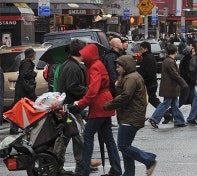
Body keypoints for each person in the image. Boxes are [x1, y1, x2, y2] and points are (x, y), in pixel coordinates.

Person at [103, 55, 158, 176]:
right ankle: (129, 173)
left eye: (119, 67)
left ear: (126, 66)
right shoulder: (129, 77)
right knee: (127, 147)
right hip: (130, 115)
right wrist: (118, 85)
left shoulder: (131, 78)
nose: (117, 69)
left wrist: (107, 105)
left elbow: (126, 96)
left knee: (123, 146)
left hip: (131, 116)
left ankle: (149, 160)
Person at [74, 43, 122, 176]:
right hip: (105, 102)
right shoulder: (97, 64)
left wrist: (81, 104)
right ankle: (116, 169)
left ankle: (84, 170)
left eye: (84, 56)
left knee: (88, 136)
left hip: (99, 105)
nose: (83, 58)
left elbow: (93, 90)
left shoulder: (94, 67)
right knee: (108, 139)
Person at [53, 39, 88, 175]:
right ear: (80, 51)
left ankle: (57, 165)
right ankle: (80, 166)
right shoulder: (73, 67)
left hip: (67, 108)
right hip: (71, 108)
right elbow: (73, 86)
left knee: (65, 136)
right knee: (78, 136)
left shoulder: (67, 65)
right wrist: (88, 90)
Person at [148, 44, 188, 128]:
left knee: (175, 105)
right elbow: (174, 75)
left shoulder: (168, 60)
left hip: (171, 87)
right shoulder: (170, 61)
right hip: (170, 87)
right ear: (175, 52)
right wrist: (183, 83)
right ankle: (154, 118)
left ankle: (179, 121)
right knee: (166, 104)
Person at [11, 48, 38, 134]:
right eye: (34, 54)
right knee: (26, 106)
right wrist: (34, 73)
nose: (35, 55)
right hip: (25, 89)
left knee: (20, 107)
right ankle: (29, 125)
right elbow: (26, 74)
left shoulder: (26, 63)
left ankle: (17, 127)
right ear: (31, 56)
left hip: (22, 88)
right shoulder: (27, 63)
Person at [179, 45, 197, 122]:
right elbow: (185, 74)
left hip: (191, 83)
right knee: (182, 101)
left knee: (194, 101)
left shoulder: (192, 59)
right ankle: (172, 112)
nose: (194, 53)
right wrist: (193, 80)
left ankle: (195, 115)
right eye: (192, 52)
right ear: (188, 53)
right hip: (186, 84)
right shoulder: (185, 61)